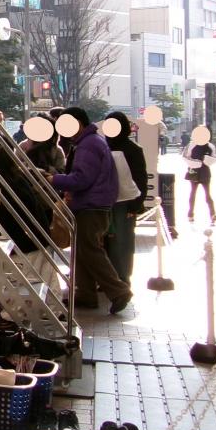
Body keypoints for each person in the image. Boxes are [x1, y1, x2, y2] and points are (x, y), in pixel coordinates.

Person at [48, 107, 133, 314]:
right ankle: (86, 294)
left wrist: (54, 179)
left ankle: (119, 290)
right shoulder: (92, 142)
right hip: (94, 205)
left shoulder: (88, 145)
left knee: (89, 249)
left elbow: (82, 178)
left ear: (79, 122)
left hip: (90, 206)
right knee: (83, 250)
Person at [104, 111, 148, 284]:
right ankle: (108, 278)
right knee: (107, 242)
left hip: (125, 204)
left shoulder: (133, 149)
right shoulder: (103, 146)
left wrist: (136, 205)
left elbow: (140, 178)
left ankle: (122, 278)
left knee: (122, 242)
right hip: (104, 202)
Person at [183, 131, 216, 223]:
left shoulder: (210, 146)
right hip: (194, 170)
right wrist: (196, 162)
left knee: (207, 193)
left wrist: (207, 160)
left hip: (205, 171)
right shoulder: (191, 145)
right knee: (193, 192)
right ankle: (190, 214)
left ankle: (213, 214)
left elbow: (215, 157)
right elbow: (185, 157)